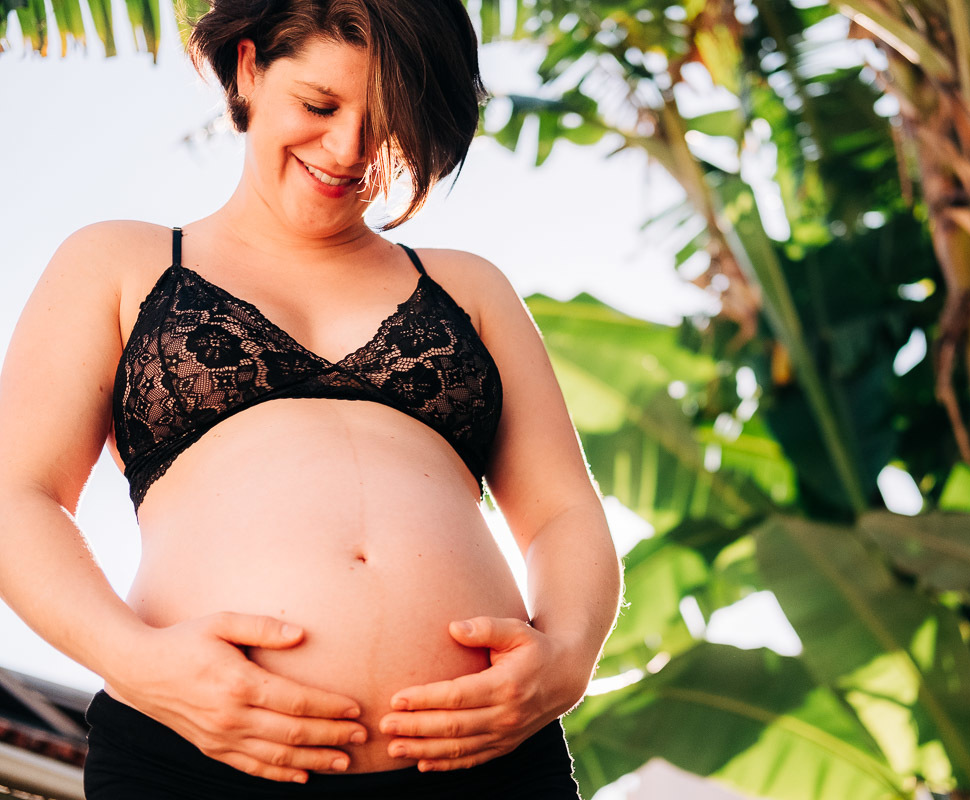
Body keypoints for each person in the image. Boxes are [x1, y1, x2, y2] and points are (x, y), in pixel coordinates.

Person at [0, 0, 622, 796]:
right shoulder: (120, 263)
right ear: (252, 68)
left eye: (388, 121)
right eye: (320, 105)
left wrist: (566, 660)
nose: (348, 149)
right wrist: (138, 662)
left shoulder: (468, 288)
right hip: (200, 753)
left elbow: (565, 512)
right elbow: (21, 497)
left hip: (483, 761)